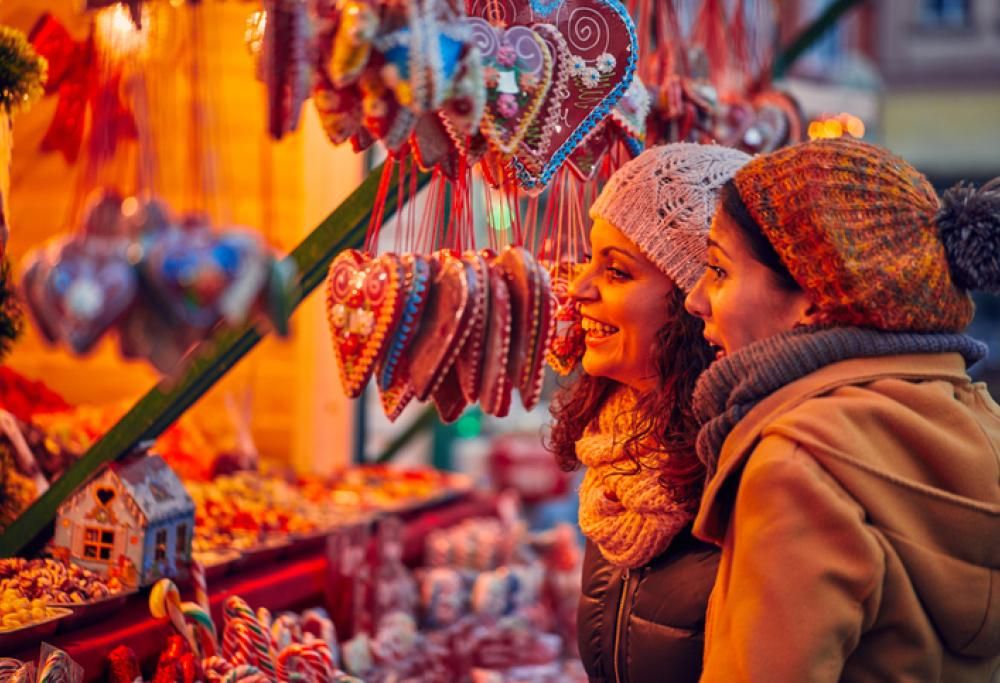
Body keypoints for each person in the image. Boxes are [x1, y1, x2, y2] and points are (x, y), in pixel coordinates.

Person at [684, 137, 1000, 681]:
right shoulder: (980, 420)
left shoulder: (798, 465)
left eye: (718, 270)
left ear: (813, 296)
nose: (695, 298)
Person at [548, 142, 750, 683]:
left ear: (695, 303)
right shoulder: (617, 462)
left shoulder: (747, 475)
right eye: (589, 262)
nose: (578, 289)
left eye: (616, 273)